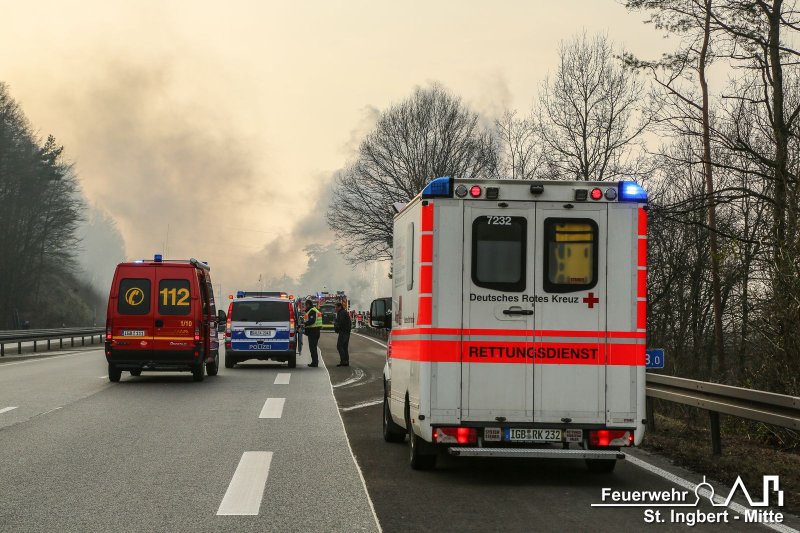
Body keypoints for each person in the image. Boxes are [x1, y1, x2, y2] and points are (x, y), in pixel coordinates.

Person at [303, 299, 322, 367]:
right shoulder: (314, 310)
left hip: (313, 332)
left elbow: (312, 321)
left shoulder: (312, 311)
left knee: (312, 348)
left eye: (305, 305)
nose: (305, 307)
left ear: (308, 304)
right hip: (315, 331)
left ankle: (315, 362)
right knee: (313, 347)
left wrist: (305, 324)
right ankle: (315, 361)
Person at [333, 301, 351, 367]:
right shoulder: (343, 312)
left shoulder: (342, 313)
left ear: (339, 307)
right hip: (346, 332)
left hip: (343, 332)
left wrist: (336, 326)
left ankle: (343, 361)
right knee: (344, 347)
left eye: (336, 307)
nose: (335, 309)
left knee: (339, 346)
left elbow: (340, 323)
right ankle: (346, 361)